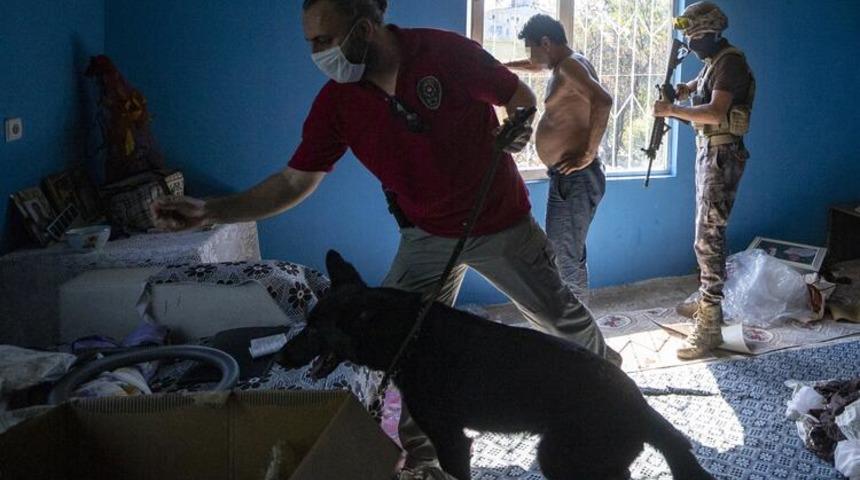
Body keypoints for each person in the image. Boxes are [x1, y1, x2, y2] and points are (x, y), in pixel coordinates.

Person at [152, 0, 619, 477]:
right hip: (425, 237)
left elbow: (518, 94)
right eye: (311, 42)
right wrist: (211, 211)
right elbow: (293, 182)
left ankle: (613, 398)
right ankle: (425, 460)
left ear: (365, 28)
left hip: (499, 222)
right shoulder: (337, 103)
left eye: (324, 40)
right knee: (401, 345)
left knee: (561, 320)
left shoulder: (445, 52)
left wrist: (517, 124)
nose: (316, 54)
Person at [653, 1, 755, 360]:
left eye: (694, 39)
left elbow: (714, 112)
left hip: (722, 154)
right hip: (710, 151)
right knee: (705, 235)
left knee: (708, 237)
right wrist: (680, 92)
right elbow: (696, 89)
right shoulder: (713, 62)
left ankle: (710, 323)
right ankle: (708, 303)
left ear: (710, 34)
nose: (690, 47)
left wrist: (671, 110)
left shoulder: (729, 62)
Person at [505, 14, 612, 304]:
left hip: (576, 177)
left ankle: (576, 328)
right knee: (567, 252)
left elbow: (604, 100)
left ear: (545, 43)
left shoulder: (569, 67)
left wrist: (587, 153)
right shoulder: (566, 63)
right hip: (568, 177)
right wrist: (502, 67)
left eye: (531, 49)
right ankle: (577, 322)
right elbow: (536, 65)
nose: (531, 57)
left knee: (565, 257)